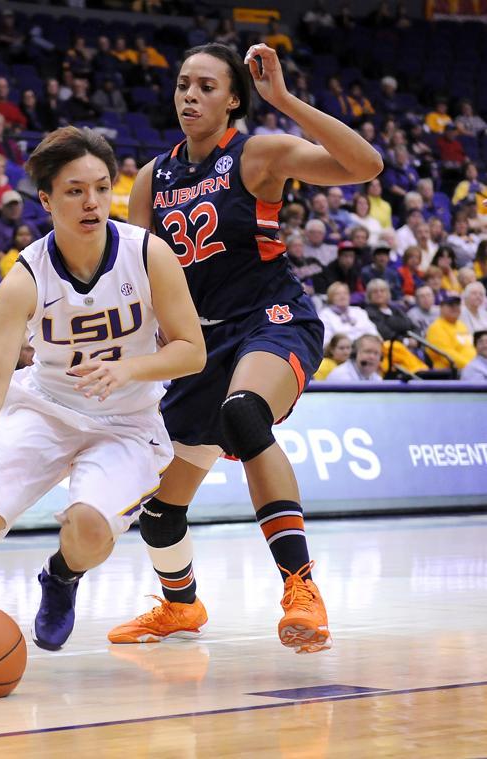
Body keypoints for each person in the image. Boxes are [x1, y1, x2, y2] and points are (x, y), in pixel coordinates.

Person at [0, 125, 206, 681]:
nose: (91, 201)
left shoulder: (149, 255)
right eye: (75, 190)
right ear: (47, 200)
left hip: (126, 420)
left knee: (90, 528)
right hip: (46, 406)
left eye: (101, 187)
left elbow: (192, 351)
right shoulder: (25, 277)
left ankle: (63, 575)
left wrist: (128, 367)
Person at [106, 42, 382, 652]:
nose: (190, 96)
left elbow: (365, 166)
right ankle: (181, 608)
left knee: (244, 411)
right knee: (158, 514)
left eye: (206, 86)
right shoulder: (152, 179)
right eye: (183, 85)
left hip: (271, 319)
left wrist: (283, 101)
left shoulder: (256, 154)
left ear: (234, 99)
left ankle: (301, 588)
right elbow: (146, 280)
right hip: (200, 343)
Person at [425, 294, 476, 371]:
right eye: (451, 305)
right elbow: (447, 355)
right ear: (441, 308)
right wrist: (472, 367)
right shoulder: (436, 328)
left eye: (457, 305)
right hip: (451, 372)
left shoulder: (461, 325)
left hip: (472, 369)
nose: (455, 308)